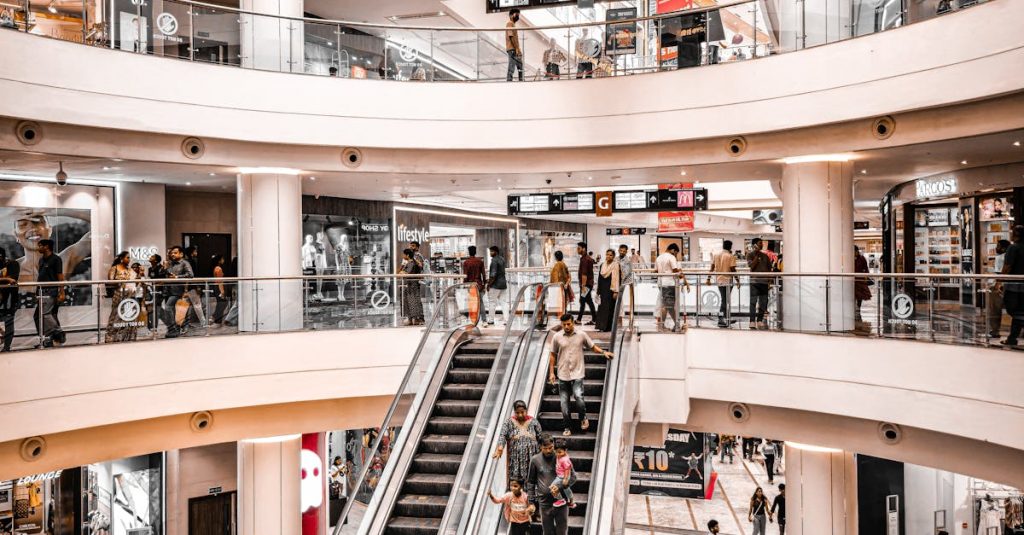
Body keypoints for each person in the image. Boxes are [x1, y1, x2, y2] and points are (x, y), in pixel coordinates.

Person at [549, 314, 613, 436]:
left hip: (577, 373)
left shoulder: (581, 335)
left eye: (569, 324)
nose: (566, 327)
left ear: (573, 323)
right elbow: (552, 354)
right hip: (563, 374)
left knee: (578, 395)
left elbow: (592, 347)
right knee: (564, 403)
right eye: (564, 325)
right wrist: (552, 373)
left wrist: (603, 352)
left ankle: (583, 417)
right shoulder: (557, 337)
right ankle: (567, 426)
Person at [527, 433, 575, 535]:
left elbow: (573, 477)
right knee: (547, 532)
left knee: (562, 532)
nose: (549, 451)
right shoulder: (535, 460)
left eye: (551, 448)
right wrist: (531, 502)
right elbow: (530, 482)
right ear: (540, 447)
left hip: (561, 503)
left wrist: (561, 486)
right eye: (545, 448)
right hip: (545, 504)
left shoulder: (562, 457)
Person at [493, 400, 543, 482]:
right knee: (517, 481)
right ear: (514, 412)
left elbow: (540, 437)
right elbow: (503, 435)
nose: (520, 415)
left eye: (522, 412)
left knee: (531, 477)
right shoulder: (509, 422)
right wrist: (500, 447)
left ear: (526, 410)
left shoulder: (534, 421)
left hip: (532, 456)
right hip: (515, 457)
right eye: (517, 412)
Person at [33, 239, 66, 347]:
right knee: (38, 316)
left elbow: (60, 277)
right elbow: (40, 277)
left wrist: (62, 292)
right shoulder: (41, 260)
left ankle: (58, 331)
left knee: (46, 314)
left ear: (46, 246)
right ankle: (47, 339)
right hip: (41, 291)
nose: (38, 248)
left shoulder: (56, 259)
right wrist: (37, 292)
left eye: (40, 245)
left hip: (51, 291)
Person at [105, 251, 139, 343]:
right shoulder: (114, 268)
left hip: (131, 296)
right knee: (116, 315)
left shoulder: (130, 270)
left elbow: (136, 282)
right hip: (119, 295)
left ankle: (128, 337)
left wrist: (139, 276)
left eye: (129, 258)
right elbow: (110, 282)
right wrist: (122, 280)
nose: (129, 259)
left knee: (130, 316)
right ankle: (111, 337)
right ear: (121, 258)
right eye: (127, 257)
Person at [162, 245, 194, 338]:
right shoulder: (171, 263)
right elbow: (164, 274)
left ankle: (173, 330)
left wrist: (177, 277)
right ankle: (175, 329)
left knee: (168, 308)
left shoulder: (184, 263)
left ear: (181, 254)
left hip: (178, 291)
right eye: (172, 253)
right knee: (171, 310)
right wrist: (164, 268)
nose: (172, 254)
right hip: (168, 290)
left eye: (175, 253)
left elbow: (190, 274)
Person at [655, 243, 688, 332]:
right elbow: (675, 270)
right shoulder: (671, 257)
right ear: (673, 250)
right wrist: (681, 275)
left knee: (666, 305)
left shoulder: (659, 257)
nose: (676, 255)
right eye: (676, 253)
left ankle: (663, 325)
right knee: (668, 306)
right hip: (669, 283)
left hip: (660, 283)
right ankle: (676, 324)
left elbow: (655, 271)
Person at [1002, 226, 1024, 347]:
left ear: (1016, 234)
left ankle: (1012, 338)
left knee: (1014, 311)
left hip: (1014, 287)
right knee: (1020, 311)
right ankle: (1012, 337)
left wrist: (999, 281)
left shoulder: (1013, 247)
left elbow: (1007, 266)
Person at [747, 238, 773, 330]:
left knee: (763, 303)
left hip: (764, 282)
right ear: (754, 245)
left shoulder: (765, 256)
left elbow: (770, 269)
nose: (762, 245)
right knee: (753, 302)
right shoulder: (750, 255)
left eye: (762, 243)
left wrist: (769, 281)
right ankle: (752, 321)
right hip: (754, 282)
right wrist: (757, 255)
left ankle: (760, 320)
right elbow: (752, 266)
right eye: (760, 243)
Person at [713, 241, 737, 327]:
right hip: (728, 280)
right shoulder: (731, 256)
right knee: (725, 300)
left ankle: (726, 318)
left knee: (725, 300)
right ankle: (721, 319)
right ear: (730, 247)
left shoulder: (716, 255)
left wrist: (708, 278)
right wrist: (737, 280)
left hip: (719, 280)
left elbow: (712, 267)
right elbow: (733, 269)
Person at [989, 240, 1010, 338]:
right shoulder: (1010, 256)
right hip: (1010, 285)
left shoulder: (1000, 257)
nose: (996, 248)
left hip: (998, 285)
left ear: (1003, 248)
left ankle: (995, 330)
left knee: (994, 309)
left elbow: (999, 273)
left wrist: (997, 284)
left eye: (998, 246)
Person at [595, 249, 620, 332]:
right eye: (607, 254)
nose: (608, 256)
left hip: (611, 290)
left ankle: (608, 327)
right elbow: (599, 279)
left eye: (610, 255)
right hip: (603, 290)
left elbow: (617, 279)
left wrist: (616, 291)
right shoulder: (602, 265)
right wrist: (598, 291)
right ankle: (601, 326)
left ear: (613, 256)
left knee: (610, 309)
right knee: (602, 308)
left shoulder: (616, 265)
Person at [0, 247, 20, 351]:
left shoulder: (13, 264)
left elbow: (13, 280)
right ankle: (3, 336)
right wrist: (6, 278)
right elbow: (8, 279)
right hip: (2, 298)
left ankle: (6, 347)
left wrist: (7, 279)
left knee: (8, 321)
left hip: (10, 299)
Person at [400, 248, 424, 325]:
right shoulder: (411, 263)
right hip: (411, 285)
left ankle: (415, 319)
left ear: (407, 255)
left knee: (412, 302)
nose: (403, 256)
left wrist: (402, 272)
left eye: (404, 254)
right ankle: (412, 319)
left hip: (411, 285)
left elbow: (407, 273)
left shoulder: (411, 263)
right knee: (410, 301)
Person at [463, 245, 487, 322]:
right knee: (481, 302)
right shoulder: (480, 261)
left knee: (470, 302)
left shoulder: (466, 262)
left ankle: (471, 319)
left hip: (470, 284)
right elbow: (483, 274)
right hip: (478, 285)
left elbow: (465, 275)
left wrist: (464, 285)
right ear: (475, 252)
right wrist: (484, 284)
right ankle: (484, 321)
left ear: (469, 252)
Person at [486, 246, 508, 326]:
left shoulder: (494, 261)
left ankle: (491, 320)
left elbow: (493, 274)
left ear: (496, 251)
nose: (490, 253)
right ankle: (507, 320)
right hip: (503, 284)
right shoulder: (502, 259)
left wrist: (489, 285)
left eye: (491, 251)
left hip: (495, 285)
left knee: (492, 302)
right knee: (504, 302)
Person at [551, 438, 576, 508]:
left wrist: (565, 479)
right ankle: (571, 502)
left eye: (559, 452)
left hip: (562, 477)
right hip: (560, 476)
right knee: (566, 488)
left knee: (553, 488)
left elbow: (567, 469)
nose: (557, 454)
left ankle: (561, 500)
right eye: (556, 452)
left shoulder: (564, 459)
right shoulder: (561, 456)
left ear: (565, 450)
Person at [576, 242, 596, 325]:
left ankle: (579, 319)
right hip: (588, 284)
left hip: (586, 284)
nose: (577, 250)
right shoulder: (587, 258)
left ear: (584, 249)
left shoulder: (585, 259)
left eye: (579, 248)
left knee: (583, 301)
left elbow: (584, 274)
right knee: (588, 301)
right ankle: (595, 319)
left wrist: (583, 286)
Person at [147, 254, 167, 330]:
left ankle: (153, 327)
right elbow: (150, 280)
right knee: (155, 307)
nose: (150, 257)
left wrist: (155, 287)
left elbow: (163, 281)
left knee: (156, 307)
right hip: (152, 291)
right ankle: (169, 323)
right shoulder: (150, 269)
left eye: (152, 257)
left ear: (155, 260)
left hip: (160, 291)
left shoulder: (161, 268)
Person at [854, 246, 872, 323]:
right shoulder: (848, 258)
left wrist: (866, 276)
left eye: (855, 251)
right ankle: (854, 308)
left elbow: (866, 268)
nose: (855, 252)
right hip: (852, 279)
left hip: (860, 279)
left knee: (860, 295)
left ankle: (858, 307)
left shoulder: (862, 258)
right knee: (853, 294)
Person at [210, 254, 229, 327]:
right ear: (219, 260)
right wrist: (222, 291)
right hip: (219, 287)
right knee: (222, 304)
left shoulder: (216, 268)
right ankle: (216, 320)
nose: (223, 260)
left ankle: (216, 319)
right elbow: (219, 281)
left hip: (217, 287)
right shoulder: (218, 268)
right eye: (222, 259)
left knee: (221, 304)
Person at [505, 9, 523, 82]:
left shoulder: (513, 24)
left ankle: (521, 81)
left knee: (520, 66)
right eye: (516, 14)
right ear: (511, 15)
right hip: (512, 49)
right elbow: (511, 36)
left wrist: (518, 49)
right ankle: (509, 82)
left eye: (518, 14)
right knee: (512, 67)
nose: (518, 16)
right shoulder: (510, 23)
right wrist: (516, 48)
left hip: (515, 49)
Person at [618, 244, 635, 319]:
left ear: (626, 252)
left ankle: (620, 316)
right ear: (618, 250)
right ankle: (618, 315)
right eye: (621, 250)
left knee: (619, 298)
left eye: (624, 251)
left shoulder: (627, 260)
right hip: (617, 281)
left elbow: (627, 272)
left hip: (623, 281)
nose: (622, 252)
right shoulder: (616, 258)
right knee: (617, 298)